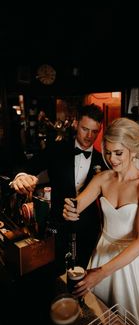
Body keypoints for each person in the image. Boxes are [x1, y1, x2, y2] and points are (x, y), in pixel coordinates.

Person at [63, 117, 139, 325]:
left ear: (133, 150)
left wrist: (102, 272)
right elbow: (78, 204)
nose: (112, 159)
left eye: (118, 153)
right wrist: (70, 210)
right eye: (107, 152)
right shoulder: (102, 179)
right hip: (101, 253)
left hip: (131, 261)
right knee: (99, 319)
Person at [10, 103, 107, 275]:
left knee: (84, 275)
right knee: (55, 274)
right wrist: (21, 177)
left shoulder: (104, 161)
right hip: (58, 226)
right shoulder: (57, 149)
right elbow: (27, 166)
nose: (89, 136)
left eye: (95, 131)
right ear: (76, 123)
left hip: (88, 229)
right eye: (85, 129)